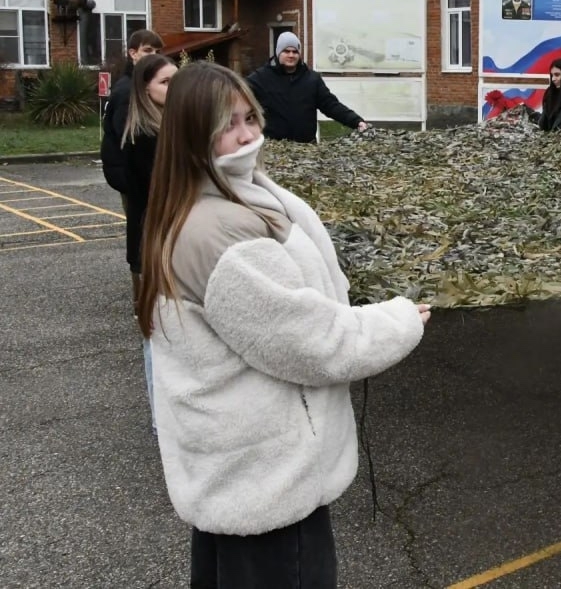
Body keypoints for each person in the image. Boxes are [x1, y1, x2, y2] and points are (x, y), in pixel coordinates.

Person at [135, 62, 431, 587]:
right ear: (191, 135)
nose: (246, 135)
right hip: (266, 479)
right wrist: (399, 320)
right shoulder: (220, 234)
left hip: (240, 472)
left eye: (250, 117)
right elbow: (310, 343)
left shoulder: (220, 196)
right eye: (227, 125)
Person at [121, 53, 178, 430]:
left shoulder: (170, 128)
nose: (174, 88)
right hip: (156, 243)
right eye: (165, 82)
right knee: (157, 334)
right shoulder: (144, 136)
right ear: (145, 89)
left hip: (170, 240)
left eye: (177, 80)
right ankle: (162, 422)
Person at [246, 32, 368, 143]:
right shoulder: (261, 78)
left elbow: (331, 105)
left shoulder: (312, 79)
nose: (291, 55)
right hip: (274, 148)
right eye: (286, 51)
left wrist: (356, 121)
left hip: (306, 148)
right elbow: (239, 96)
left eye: (295, 52)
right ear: (278, 53)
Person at [101, 29, 165, 207]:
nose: (154, 55)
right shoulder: (127, 91)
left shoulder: (144, 84)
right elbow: (130, 138)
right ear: (133, 53)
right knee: (142, 219)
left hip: (142, 173)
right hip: (133, 175)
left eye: (158, 51)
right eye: (148, 50)